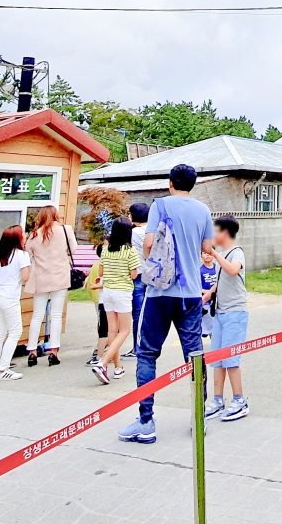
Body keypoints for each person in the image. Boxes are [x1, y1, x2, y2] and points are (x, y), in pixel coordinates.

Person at [118, 164, 216, 445]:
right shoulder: (203, 210)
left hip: (159, 293)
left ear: (170, 183)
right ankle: (198, 417)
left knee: (147, 354)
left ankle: (146, 421)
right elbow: (207, 248)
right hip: (191, 295)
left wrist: (151, 262)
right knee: (194, 355)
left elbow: (149, 243)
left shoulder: (159, 205)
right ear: (193, 184)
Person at [203, 216, 249, 422]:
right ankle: (218, 400)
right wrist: (208, 294)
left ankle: (240, 400)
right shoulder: (222, 254)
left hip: (235, 313)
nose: (213, 235)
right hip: (221, 313)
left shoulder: (237, 252)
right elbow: (221, 280)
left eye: (215, 231)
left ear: (224, 233)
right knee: (217, 360)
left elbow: (232, 270)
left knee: (231, 359)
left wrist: (214, 254)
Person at [24, 205, 77, 367]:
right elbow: (73, 249)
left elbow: (28, 253)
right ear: (55, 215)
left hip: (40, 277)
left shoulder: (34, 234)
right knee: (56, 315)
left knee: (37, 315)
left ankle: (32, 351)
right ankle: (53, 351)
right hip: (60, 276)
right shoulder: (65, 230)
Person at [90, 217, 141, 384]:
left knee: (112, 330)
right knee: (124, 330)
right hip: (123, 292)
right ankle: (103, 363)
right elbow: (134, 274)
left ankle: (117, 366)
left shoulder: (106, 250)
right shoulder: (130, 251)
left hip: (108, 292)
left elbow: (101, 273)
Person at [0, 226, 30, 382]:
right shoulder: (22, 255)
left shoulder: (0, 254)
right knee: (15, 332)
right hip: (9, 297)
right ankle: (3, 369)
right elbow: (25, 277)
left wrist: (2, 277)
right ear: (18, 238)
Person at [126, 203, 149, 359]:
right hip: (153, 276)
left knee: (138, 313)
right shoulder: (153, 231)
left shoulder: (134, 233)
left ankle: (137, 347)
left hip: (138, 275)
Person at [85, 252, 107, 366]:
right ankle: (105, 352)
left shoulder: (97, 266)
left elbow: (90, 284)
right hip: (108, 297)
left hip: (99, 298)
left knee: (102, 326)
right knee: (113, 328)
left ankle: (101, 351)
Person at [199, 250, 218, 338]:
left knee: (217, 328)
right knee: (210, 328)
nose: (207, 255)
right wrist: (209, 293)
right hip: (206, 304)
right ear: (201, 256)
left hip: (219, 302)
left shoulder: (218, 269)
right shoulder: (199, 271)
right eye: (204, 253)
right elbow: (198, 288)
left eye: (209, 253)